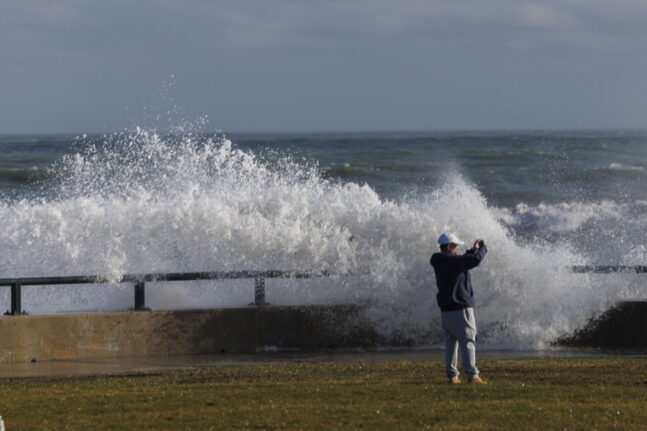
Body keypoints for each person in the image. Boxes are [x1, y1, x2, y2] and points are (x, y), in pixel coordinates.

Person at [430, 232, 488, 385]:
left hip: (446, 311)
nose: (456, 249)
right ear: (449, 247)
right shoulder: (453, 262)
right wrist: (482, 248)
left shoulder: (441, 261)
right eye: (455, 246)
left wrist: (471, 250)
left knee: (451, 343)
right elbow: (474, 260)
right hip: (460, 309)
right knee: (468, 340)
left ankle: (452, 376)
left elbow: (463, 260)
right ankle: (472, 375)